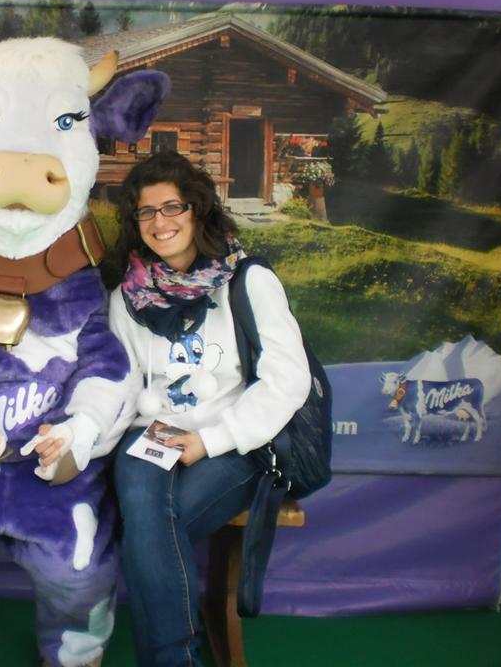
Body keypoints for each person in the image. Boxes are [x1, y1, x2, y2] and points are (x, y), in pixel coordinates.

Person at [109, 152, 311, 667]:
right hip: (152, 432)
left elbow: (289, 379)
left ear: (197, 210)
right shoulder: (127, 296)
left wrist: (210, 441)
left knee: (152, 524)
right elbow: (120, 386)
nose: (160, 222)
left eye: (172, 207)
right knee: (141, 497)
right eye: (146, 211)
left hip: (233, 441)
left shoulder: (247, 280)